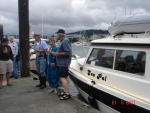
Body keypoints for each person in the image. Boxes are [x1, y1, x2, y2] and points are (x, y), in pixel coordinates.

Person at [52, 29, 72, 100]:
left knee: (62, 77)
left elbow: (68, 52)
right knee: (65, 77)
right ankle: (65, 91)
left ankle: (67, 94)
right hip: (62, 62)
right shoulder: (63, 41)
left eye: (57, 34)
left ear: (60, 34)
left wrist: (58, 53)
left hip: (63, 63)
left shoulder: (65, 41)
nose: (57, 35)